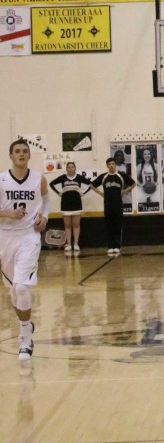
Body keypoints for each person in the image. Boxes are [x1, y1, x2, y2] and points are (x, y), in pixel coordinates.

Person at [0, 138, 49, 359]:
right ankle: (27, 324)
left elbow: (46, 201)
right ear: (11, 156)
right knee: (13, 293)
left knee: (21, 288)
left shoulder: (39, 179)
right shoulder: (1, 180)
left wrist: (45, 218)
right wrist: (6, 213)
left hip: (29, 236)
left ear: (29, 156)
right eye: (17, 151)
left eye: (25, 151)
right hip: (5, 237)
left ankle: (25, 340)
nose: (21, 154)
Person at [90, 158, 135, 254]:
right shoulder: (104, 177)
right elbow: (92, 185)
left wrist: (125, 191)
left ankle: (117, 246)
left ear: (115, 165)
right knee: (109, 225)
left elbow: (134, 183)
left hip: (118, 204)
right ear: (107, 166)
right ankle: (110, 246)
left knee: (117, 225)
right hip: (107, 204)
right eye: (109, 164)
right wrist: (100, 193)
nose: (111, 165)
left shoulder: (121, 175)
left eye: (113, 163)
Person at [49, 160, 91, 252]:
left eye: (72, 167)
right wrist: (58, 193)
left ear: (75, 168)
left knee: (76, 225)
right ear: (66, 169)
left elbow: (90, 184)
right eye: (69, 167)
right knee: (67, 225)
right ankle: (68, 244)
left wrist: (83, 193)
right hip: (65, 204)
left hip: (77, 204)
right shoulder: (63, 177)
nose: (70, 168)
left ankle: (76, 244)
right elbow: (51, 184)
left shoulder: (79, 177)